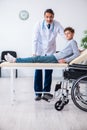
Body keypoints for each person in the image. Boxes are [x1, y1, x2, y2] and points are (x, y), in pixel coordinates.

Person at [5, 27, 80, 99]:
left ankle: (15, 60)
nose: (66, 35)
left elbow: (76, 54)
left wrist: (65, 60)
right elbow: (73, 51)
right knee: (36, 58)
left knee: (36, 58)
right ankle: (15, 60)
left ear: (73, 34)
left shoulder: (73, 42)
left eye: (68, 33)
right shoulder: (70, 42)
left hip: (55, 58)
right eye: (65, 34)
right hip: (55, 56)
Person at [32, 9, 64, 100]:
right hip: (39, 51)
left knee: (48, 72)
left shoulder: (57, 24)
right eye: (47, 17)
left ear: (53, 16)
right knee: (38, 72)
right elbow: (35, 39)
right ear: (44, 16)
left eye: (51, 17)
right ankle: (38, 93)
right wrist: (34, 52)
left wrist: (72, 44)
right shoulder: (38, 24)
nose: (49, 19)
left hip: (50, 50)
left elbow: (64, 35)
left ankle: (46, 92)